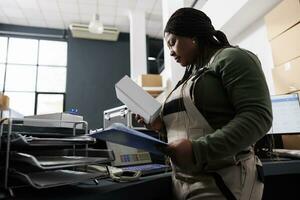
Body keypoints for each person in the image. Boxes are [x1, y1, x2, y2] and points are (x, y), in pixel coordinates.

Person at [136, 7, 272, 200]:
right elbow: (193, 126)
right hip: (183, 181)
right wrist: (160, 127)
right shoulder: (189, 76)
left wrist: (198, 150)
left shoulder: (233, 58)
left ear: (192, 35)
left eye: (173, 43)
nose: (172, 53)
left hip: (226, 180)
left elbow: (258, 117)